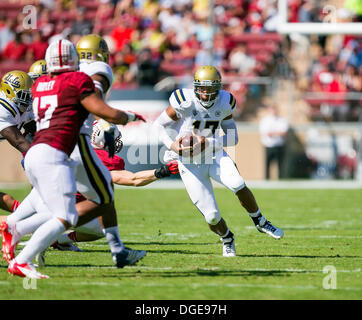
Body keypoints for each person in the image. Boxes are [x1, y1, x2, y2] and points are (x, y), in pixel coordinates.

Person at [1, 39, 145, 279]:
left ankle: (117, 250)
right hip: (62, 149)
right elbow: (97, 105)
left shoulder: (43, 84)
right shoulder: (80, 78)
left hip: (39, 151)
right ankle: (21, 248)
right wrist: (125, 117)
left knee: (88, 199)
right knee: (70, 212)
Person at [154, 65, 284, 257]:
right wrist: (172, 145)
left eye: (211, 89)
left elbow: (233, 137)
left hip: (214, 155)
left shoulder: (225, 101)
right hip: (189, 163)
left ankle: (260, 221)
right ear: (196, 87)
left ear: (219, 87)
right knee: (212, 216)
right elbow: (158, 125)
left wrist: (209, 142)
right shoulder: (185, 101)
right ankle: (227, 238)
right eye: (203, 89)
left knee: (238, 183)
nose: (206, 94)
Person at [0, 70, 34, 219]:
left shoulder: (19, 107)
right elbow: (19, 142)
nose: (27, 100)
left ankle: (26, 216)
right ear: (9, 91)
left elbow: (34, 128)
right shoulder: (3, 108)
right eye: (23, 95)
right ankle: (23, 217)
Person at [259, 105, 289, 179]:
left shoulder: (282, 120)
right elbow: (266, 133)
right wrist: (277, 133)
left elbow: (283, 132)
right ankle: (267, 179)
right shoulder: (265, 120)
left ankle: (281, 179)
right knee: (267, 164)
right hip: (268, 145)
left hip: (279, 145)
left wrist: (273, 133)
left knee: (280, 164)